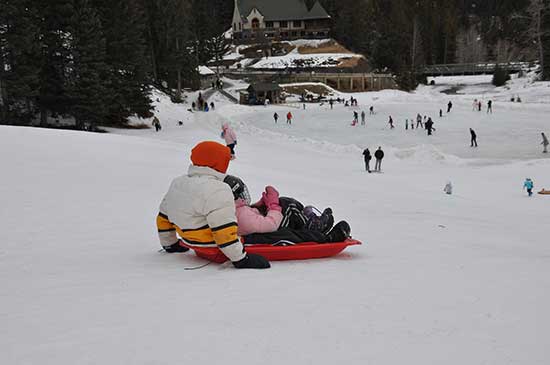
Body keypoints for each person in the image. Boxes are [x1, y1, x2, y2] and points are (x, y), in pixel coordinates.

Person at [155, 141, 270, 269]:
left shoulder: (178, 183)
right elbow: (223, 230)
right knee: (266, 232)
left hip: (189, 241)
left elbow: (163, 217)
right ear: (218, 163)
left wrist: (170, 244)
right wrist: (241, 259)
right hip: (212, 246)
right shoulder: (219, 189)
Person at [224, 177, 351, 245]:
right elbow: (271, 224)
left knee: (284, 202)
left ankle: (307, 220)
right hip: (266, 232)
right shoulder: (241, 215)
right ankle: (317, 231)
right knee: (288, 213)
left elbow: (251, 217)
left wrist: (260, 206)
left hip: (257, 230)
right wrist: (273, 205)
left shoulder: (233, 209)